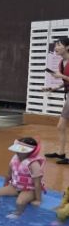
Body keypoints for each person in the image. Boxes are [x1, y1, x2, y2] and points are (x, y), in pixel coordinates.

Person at [0, 137, 45, 218]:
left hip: (29, 189)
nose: (17, 152)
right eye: (17, 149)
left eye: (21, 150)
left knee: (20, 202)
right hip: (15, 186)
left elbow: (37, 184)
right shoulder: (14, 158)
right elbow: (8, 175)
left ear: (31, 151)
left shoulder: (33, 164)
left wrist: (38, 200)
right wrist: (5, 186)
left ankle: (17, 214)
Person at [43, 36, 69, 164]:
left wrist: (61, 76)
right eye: (56, 45)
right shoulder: (61, 63)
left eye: (59, 45)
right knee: (61, 126)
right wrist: (53, 88)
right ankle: (61, 152)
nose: (56, 47)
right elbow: (65, 82)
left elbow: (64, 77)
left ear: (67, 47)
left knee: (61, 126)